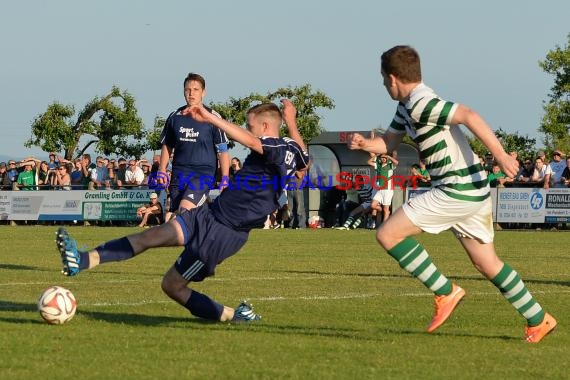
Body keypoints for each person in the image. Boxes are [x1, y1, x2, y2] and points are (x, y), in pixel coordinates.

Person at [348, 45, 555, 343]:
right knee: (487, 263)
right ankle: (538, 319)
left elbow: (468, 115)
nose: (383, 85)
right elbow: (389, 143)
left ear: (393, 78)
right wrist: (365, 144)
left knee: (388, 235)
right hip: (471, 190)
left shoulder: (421, 103)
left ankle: (446, 292)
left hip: (455, 189)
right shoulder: (407, 106)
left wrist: (501, 155)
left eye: (382, 79)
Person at [56, 99, 309, 323]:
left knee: (172, 286)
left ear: (265, 127)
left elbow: (251, 140)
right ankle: (82, 260)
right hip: (209, 214)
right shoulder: (291, 147)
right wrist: (292, 122)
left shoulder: (272, 145)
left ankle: (233, 315)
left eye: (250, 125)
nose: (248, 130)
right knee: (150, 235)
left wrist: (210, 117)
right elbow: (304, 162)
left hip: (222, 234)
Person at [158, 73, 230, 222]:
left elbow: (222, 150)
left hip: (202, 174)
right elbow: (167, 146)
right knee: (185, 219)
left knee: (184, 211)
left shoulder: (212, 117)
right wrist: (162, 170)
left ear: (203, 92)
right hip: (179, 175)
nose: (191, 93)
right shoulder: (175, 117)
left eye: (196, 89)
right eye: (187, 89)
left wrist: (225, 177)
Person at [369, 152, 398, 224]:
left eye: (385, 158)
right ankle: (385, 211)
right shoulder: (378, 165)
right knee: (373, 205)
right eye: (382, 157)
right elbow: (369, 162)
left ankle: (384, 225)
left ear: (387, 158)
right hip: (380, 189)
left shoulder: (390, 165)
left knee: (386, 209)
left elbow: (396, 162)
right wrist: (376, 155)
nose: (384, 159)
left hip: (388, 190)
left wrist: (388, 156)